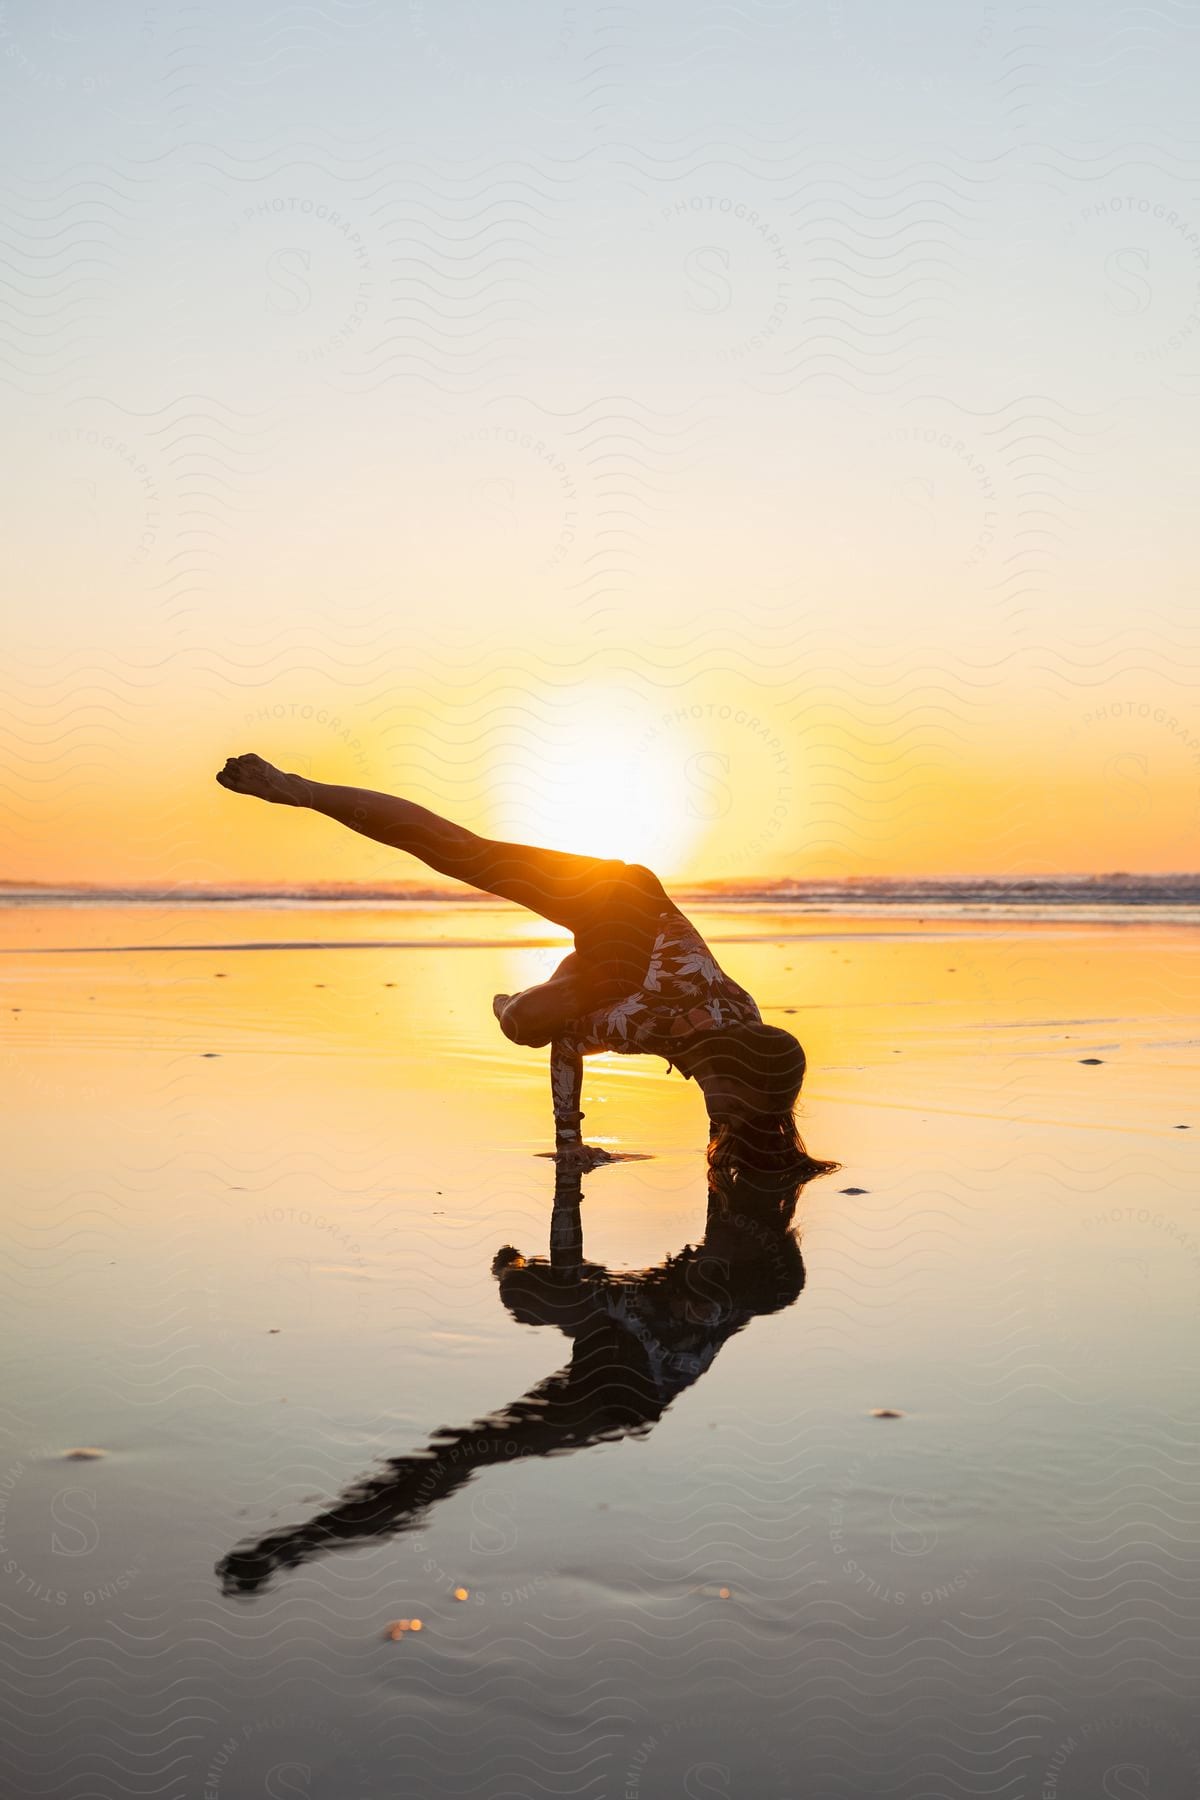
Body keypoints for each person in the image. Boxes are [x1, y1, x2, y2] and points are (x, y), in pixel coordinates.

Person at [217, 1150, 836, 1597]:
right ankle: (512, 1267)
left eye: (715, 1269)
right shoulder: (722, 1278)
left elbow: (731, 1290)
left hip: (623, 1392)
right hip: (619, 1346)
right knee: (529, 1307)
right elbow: (705, 1267)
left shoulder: (725, 1295)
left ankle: (300, 1542)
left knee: (464, 1452)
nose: (702, 1259)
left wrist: (537, 1275)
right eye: (708, 1256)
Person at [216, 753, 817, 1170]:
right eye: (725, 1101)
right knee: (468, 864)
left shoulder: (753, 1041)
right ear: (726, 1073)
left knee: (543, 1014)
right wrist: (569, 1143)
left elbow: (745, 1108)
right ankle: (299, 789)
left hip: (621, 962)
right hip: (615, 903)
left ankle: (534, 1002)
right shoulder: (650, 1024)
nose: (719, 1110)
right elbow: (571, 1049)